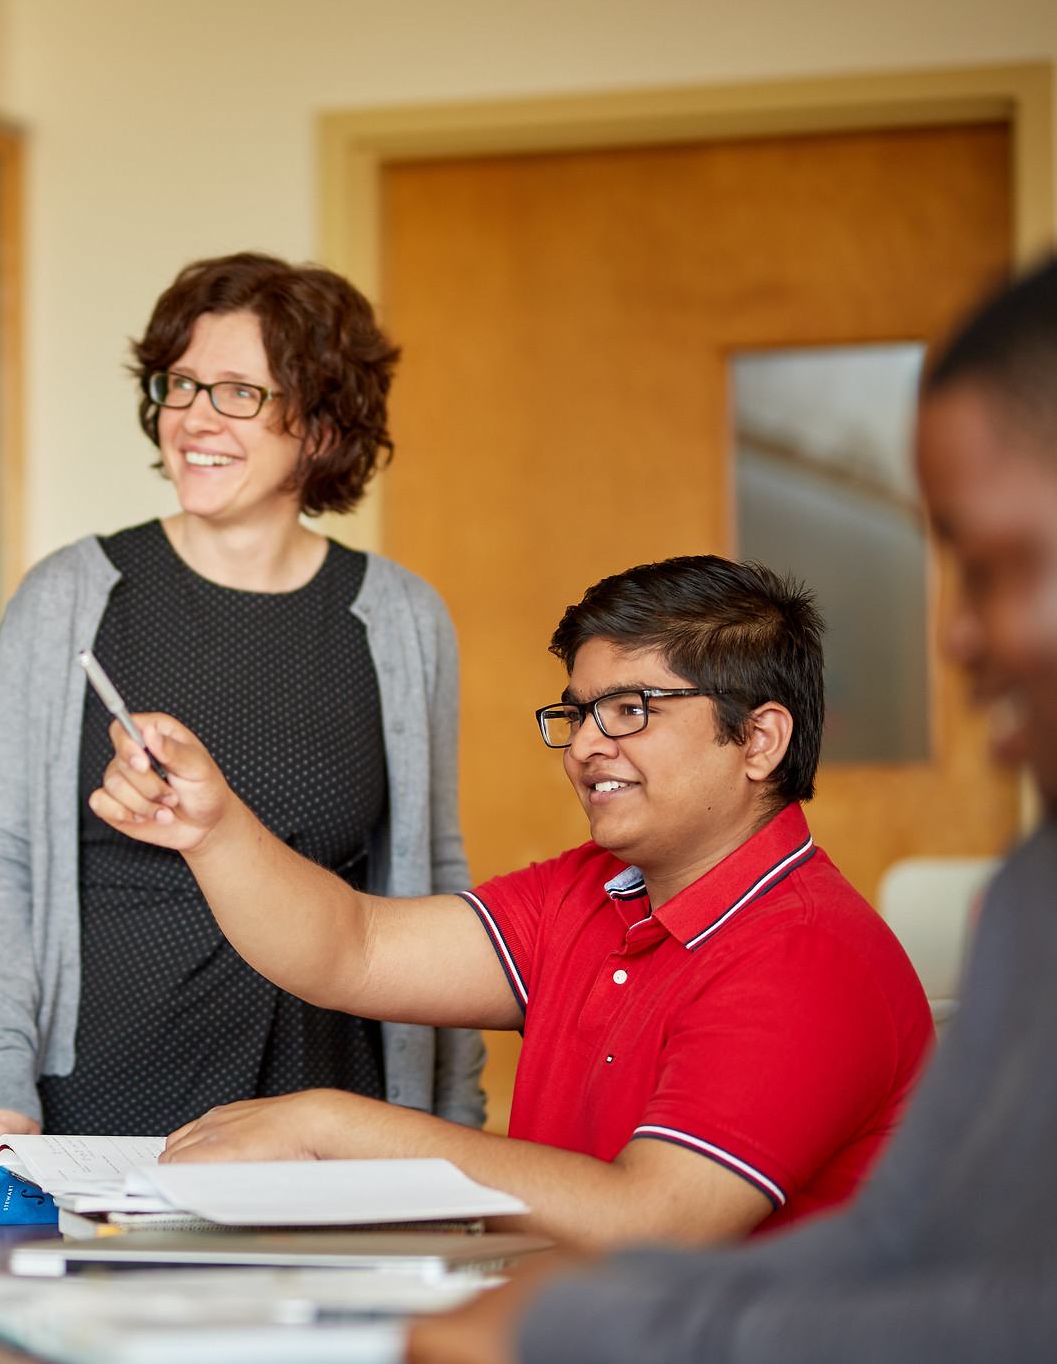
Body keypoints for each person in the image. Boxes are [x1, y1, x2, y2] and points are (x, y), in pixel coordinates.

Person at [408, 258, 1057, 1363]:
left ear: (756, 740)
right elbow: (904, 1246)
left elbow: (1002, 1317)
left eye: (1000, 564)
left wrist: (572, 1321)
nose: (953, 637)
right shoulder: (1029, 898)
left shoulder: (811, 951)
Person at [92, 555, 932, 1248]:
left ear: (758, 739)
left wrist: (332, 1125)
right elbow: (354, 947)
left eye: (630, 709)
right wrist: (211, 828)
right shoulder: (589, 887)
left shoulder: (810, 957)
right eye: (580, 715)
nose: (588, 746)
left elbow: (656, 1221)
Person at [0, 252, 485, 1159]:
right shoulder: (71, 596)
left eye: (238, 391)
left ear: (318, 424)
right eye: (180, 384)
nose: (192, 416)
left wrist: (456, 1117)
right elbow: (2, 857)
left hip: (333, 1110)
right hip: (103, 1103)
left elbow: (437, 874)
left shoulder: (398, 617)